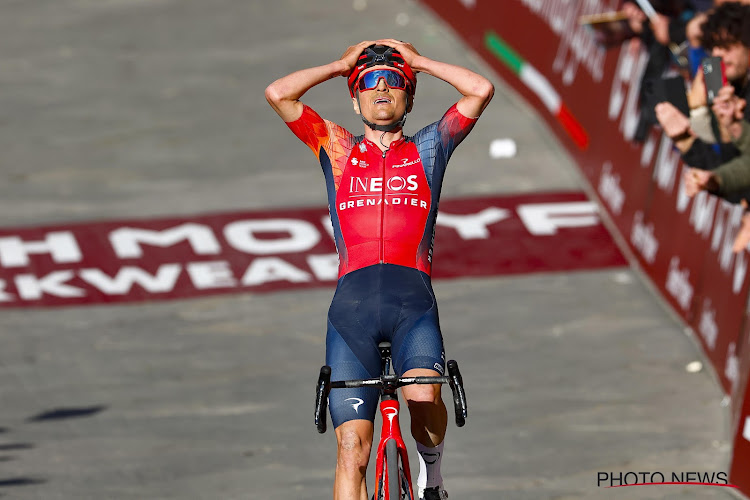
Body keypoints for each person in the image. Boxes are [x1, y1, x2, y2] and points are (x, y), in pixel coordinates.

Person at [265, 40, 493, 500]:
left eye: (395, 81)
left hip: (413, 305)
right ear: (355, 99)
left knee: (425, 402)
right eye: (369, 82)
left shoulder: (431, 147)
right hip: (352, 311)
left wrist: (421, 61)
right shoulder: (337, 146)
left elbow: (480, 89)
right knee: (352, 448)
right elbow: (278, 94)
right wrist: (339, 65)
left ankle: (433, 475)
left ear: (409, 96)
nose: (382, 86)